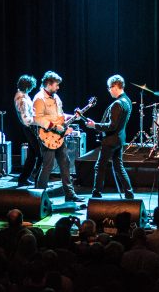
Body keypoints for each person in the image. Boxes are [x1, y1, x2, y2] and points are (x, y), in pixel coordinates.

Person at [32, 71, 84, 202]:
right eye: (56, 85)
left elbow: (60, 116)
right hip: (47, 137)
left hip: (59, 138)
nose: (58, 87)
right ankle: (39, 197)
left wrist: (73, 117)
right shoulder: (39, 98)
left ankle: (70, 195)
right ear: (49, 84)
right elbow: (37, 119)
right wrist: (54, 127)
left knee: (65, 163)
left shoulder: (56, 97)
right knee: (47, 166)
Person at [85, 74, 134, 199]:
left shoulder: (117, 104)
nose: (109, 90)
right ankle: (129, 193)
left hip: (111, 140)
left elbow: (112, 126)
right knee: (118, 166)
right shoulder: (127, 101)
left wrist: (94, 125)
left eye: (109, 88)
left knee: (100, 166)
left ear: (115, 86)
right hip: (119, 139)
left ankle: (96, 194)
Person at [14, 74, 42, 187]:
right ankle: (39, 180)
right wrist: (39, 121)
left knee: (32, 154)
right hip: (30, 128)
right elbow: (26, 119)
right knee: (41, 155)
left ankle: (23, 179)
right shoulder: (22, 99)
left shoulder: (23, 95)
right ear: (27, 86)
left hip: (29, 128)